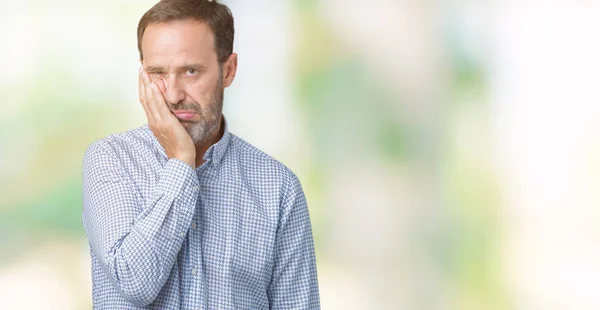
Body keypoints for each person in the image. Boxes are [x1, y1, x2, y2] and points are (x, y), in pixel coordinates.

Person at [81, 0, 320, 308]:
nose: (173, 94)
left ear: (228, 70)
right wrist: (182, 161)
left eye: (190, 71)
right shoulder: (110, 161)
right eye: (157, 73)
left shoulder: (278, 188)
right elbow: (133, 280)